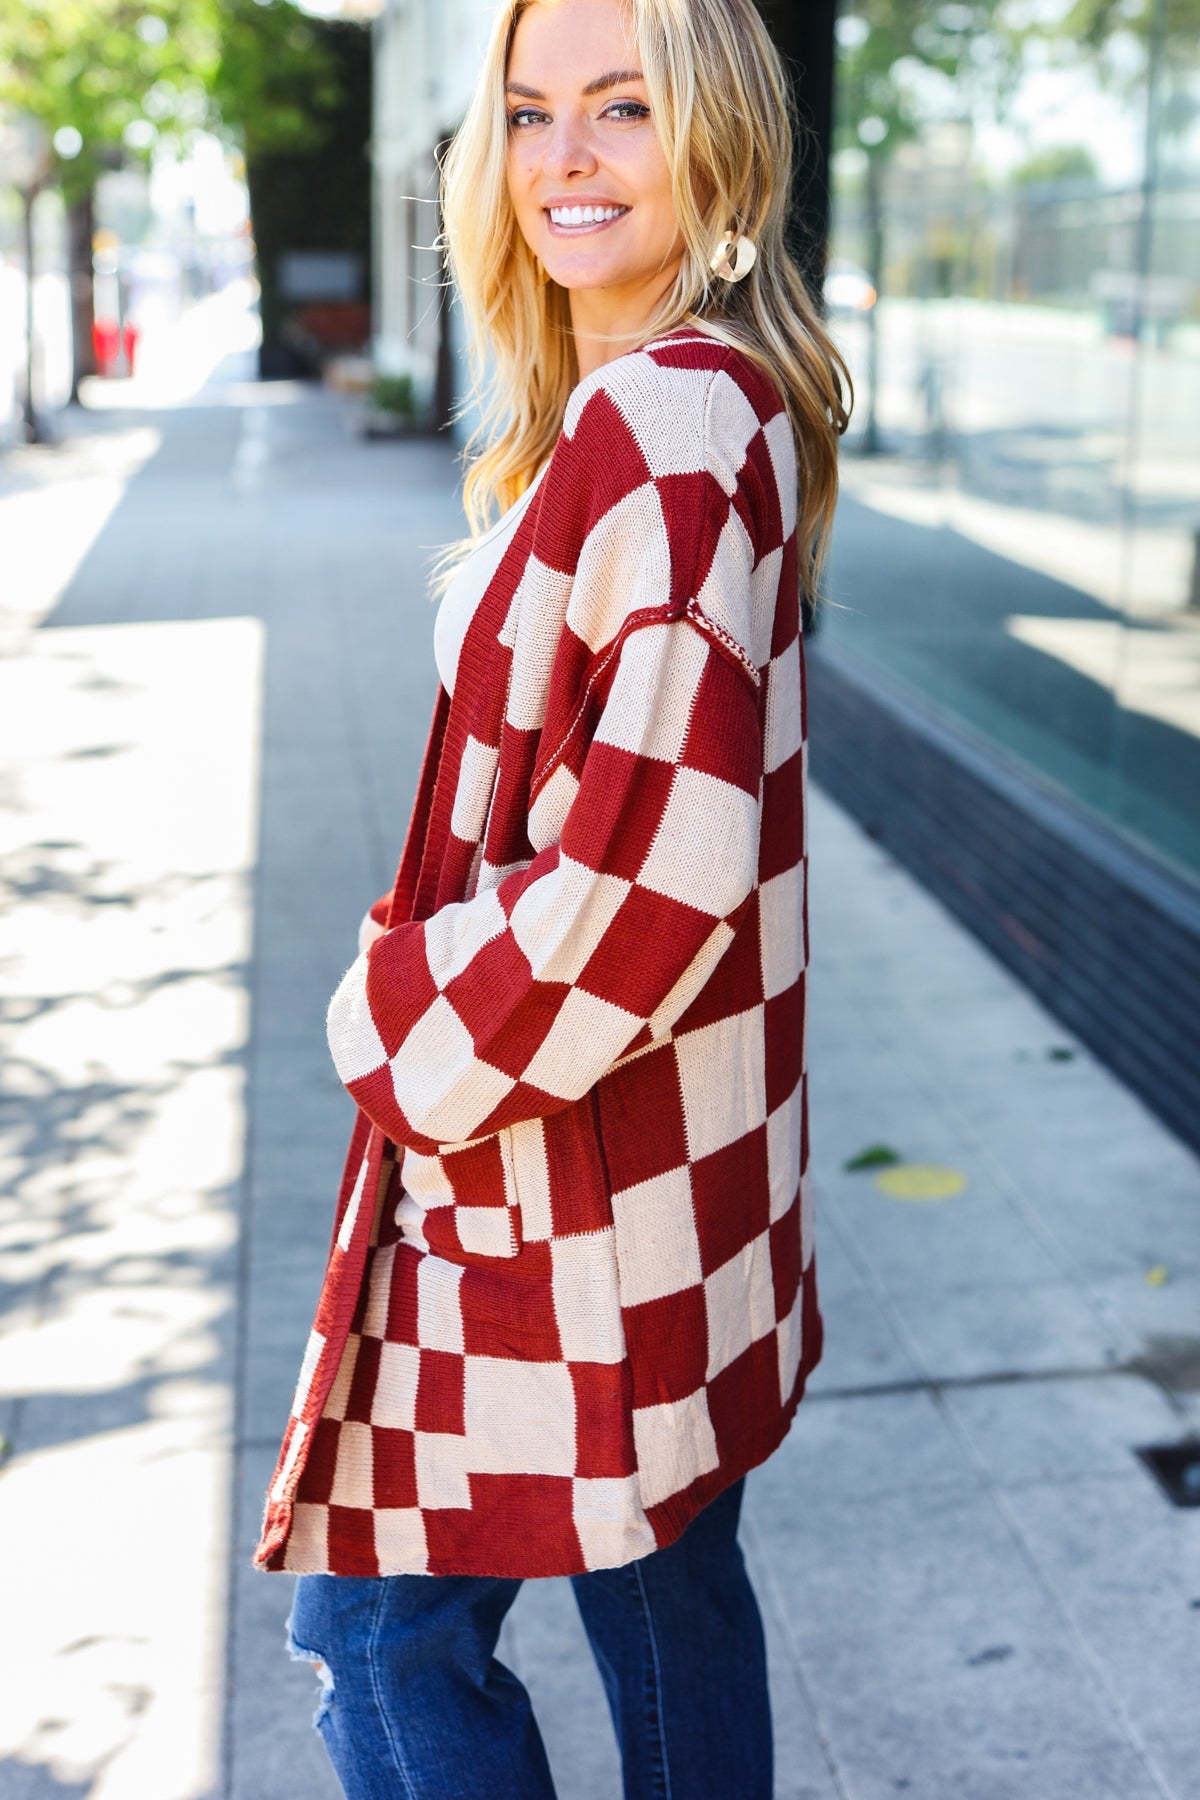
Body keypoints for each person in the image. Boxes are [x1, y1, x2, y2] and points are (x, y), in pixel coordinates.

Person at [255, 0, 849, 1793]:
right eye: (525, 113)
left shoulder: (669, 420)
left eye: (620, 108)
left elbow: (648, 883)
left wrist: (393, 1019)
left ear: (719, 136)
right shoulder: (655, 410)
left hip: (554, 1173)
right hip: (645, 1176)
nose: (564, 158)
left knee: (377, 1632)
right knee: (667, 1585)